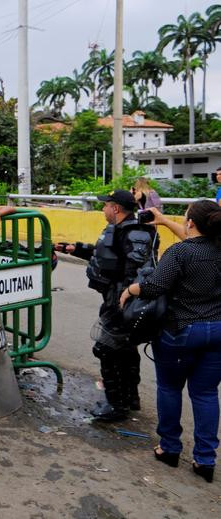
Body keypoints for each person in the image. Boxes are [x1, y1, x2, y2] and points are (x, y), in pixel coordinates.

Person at [119, 200, 221, 483]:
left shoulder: (180, 252)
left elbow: (155, 286)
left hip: (182, 331)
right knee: (206, 394)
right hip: (218, 330)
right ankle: (205, 460)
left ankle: (170, 448)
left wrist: (130, 289)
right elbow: (198, 246)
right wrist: (163, 220)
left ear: (190, 223)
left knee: (170, 388)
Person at [58, 189, 158, 421]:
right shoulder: (123, 230)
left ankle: (116, 405)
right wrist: (76, 248)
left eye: (105, 205)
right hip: (117, 299)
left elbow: (137, 270)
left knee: (106, 349)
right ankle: (130, 398)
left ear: (116, 208)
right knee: (125, 349)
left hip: (122, 302)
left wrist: (123, 298)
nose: (103, 209)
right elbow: (107, 256)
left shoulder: (135, 233)